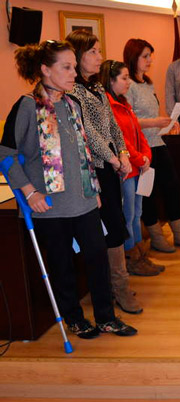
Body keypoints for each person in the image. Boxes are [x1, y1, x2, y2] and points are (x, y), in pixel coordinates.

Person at [0, 40, 136, 337]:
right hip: (50, 207)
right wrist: (29, 192)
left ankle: (106, 317)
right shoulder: (26, 107)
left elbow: (82, 150)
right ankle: (74, 318)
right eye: (67, 67)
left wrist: (95, 189)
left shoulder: (72, 103)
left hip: (84, 200)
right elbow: (5, 154)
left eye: (74, 67)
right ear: (45, 70)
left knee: (98, 260)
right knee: (62, 266)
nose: (74, 73)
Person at [66, 30, 154, 319]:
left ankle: (117, 286)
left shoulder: (97, 88)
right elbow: (88, 132)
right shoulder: (73, 91)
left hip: (111, 166)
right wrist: (114, 157)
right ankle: (116, 289)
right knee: (109, 227)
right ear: (78, 55)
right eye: (93, 52)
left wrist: (124, 155)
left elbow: (112, 126)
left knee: (116, 226)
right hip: (93, 169)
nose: (99, 57)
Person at [124, 38, 180, 253]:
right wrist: (154, 122)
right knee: (148, 193)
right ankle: (156, 237)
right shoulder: (128, 85)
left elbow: (152, 115)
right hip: (141, 148)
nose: (149, 61)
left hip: (157, 142)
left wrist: (167, 122)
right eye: (145, 56)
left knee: (172, 187)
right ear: (133, 57)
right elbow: (127, 120)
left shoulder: (147, 83)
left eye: (150, 57)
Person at [100, 60, 165, 277]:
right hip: (127, 170)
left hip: (138, 167)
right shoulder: (108, 106)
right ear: (111, 80)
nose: (128, 82)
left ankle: (139, 254)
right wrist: (138, 158)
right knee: (128, 216)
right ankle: (131, 258)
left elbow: (137, 133)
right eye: (124, 78)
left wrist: (146, 155)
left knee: (137, 213)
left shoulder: (125, 103)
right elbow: (121, 141)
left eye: (128, 77)